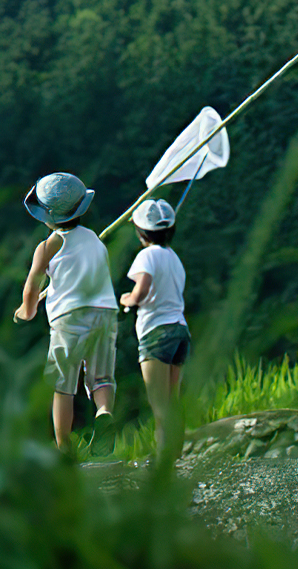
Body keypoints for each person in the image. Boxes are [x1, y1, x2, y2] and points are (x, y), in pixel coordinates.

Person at [14, 172, 118, 452]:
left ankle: (64, 447)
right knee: (102, 378)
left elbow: (33, 286)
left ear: (47, 217)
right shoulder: (95, 240)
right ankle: (104, 412)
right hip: (105, 313)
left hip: (69, 318)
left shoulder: (48, 246)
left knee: (64, 384)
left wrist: (26, 310)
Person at [120, 198, 190, 453]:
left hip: (156, 333)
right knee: (173, 400)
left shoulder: (146, 255)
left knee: (158, 404)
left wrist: (128, 299)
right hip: (180, 330)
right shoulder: (175, 258)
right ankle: (176, 454)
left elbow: (143, 288)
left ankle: (164, 463)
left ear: (141, 232)